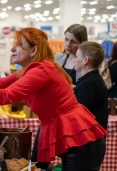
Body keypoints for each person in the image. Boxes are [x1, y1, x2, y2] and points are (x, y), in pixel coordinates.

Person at [0, 27, 106, 171]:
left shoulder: (41, 70)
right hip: (75, 137)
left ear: (33, 50)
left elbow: (4, 95)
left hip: (81, 140)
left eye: (18, 45)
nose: (12, 49)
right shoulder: (33, 69)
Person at [32, 24, 89, 170]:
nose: (68, 44)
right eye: (66, 39)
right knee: (38, 158)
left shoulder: (85, 62)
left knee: (68, 160)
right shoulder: (59, 57)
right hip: (51, 116)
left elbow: (88, 88)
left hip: (70, 119)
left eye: (73, 41)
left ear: (82, 42)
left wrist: (65, 88)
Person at [74, 41, 108, 130]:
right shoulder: (93, 80)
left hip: (88, 140)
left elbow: (78, 114)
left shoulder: (89, 83)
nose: (75, 59)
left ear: (86, 60)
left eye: (77, 57)